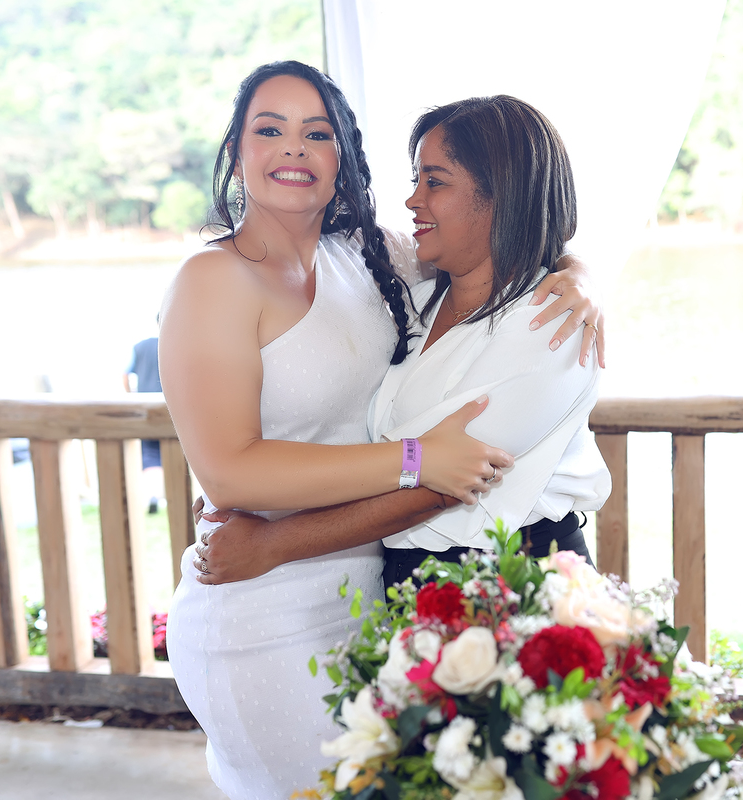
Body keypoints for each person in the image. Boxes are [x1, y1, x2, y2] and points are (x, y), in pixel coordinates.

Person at [160, 62, 602, 800]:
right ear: (236, 150)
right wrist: (417, 458)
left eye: (317, 133)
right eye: (269, 129)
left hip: (371, 593)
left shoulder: (374, 256)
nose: (293, 148)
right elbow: (228, 473)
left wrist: (579, 274)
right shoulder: (212, 280)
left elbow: (506, 237)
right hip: (263, 598)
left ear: (343, 155)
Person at [200, 95, 610, 593]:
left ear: (503, 194)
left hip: (516, 581)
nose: (414, 200)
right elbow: (369, 437)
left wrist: (272, 541)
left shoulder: (550, 323)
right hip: (407, 583)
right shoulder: (412, 301)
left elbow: (442, 487)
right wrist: (259, 494)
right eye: (417, 180)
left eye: (435, 182)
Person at [124, 327, 163, 513]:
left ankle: (154, 495)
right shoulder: (175, 343)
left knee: (150, 454)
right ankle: (168, 495)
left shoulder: (139, 347)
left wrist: (131, 396)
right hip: (170, 406)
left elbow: (125, 374)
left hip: (145, 407)